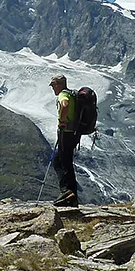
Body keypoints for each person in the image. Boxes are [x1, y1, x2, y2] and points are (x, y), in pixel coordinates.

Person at [49, 74, 80, 206]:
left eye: (53, 85)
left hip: (65, 133)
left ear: (58, 84)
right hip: (73, 133)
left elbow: (65, 105)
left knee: (60, 162)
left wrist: (62, 121)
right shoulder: (72, 94)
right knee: (65, 162)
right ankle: (71, 195)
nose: (52, 88)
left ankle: (66, 192)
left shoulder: (63, 95)